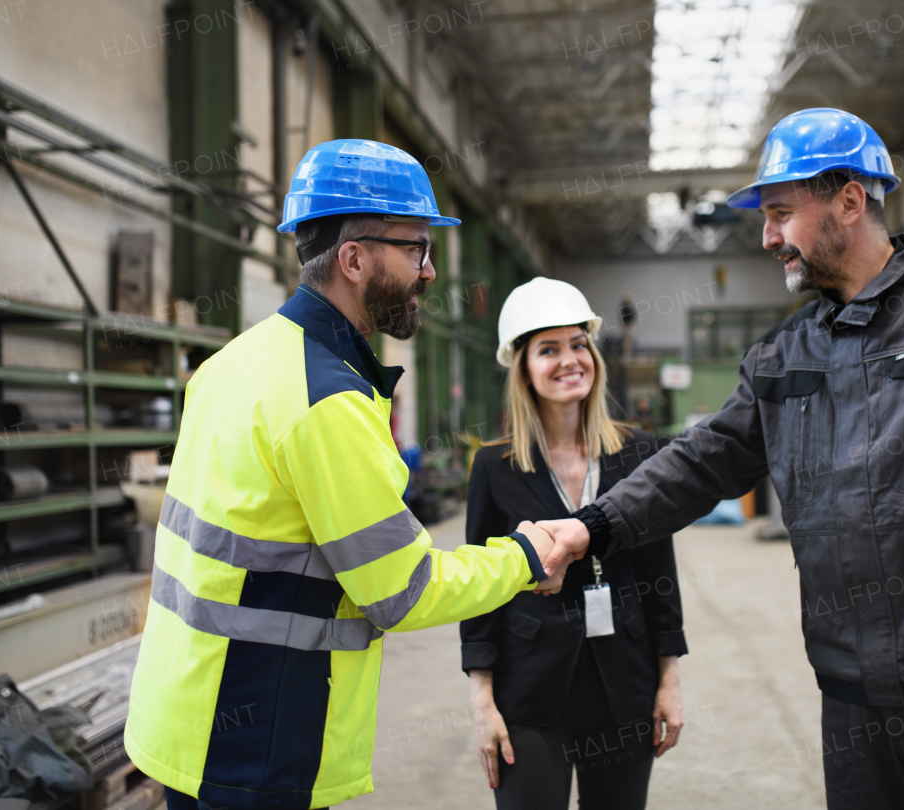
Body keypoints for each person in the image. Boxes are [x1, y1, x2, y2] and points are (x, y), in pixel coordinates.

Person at [537, 108, 904, 809]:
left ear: (850, 201)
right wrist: (591, 525)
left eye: (781, 212)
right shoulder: (785, 354)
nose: (768, 236)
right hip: (851, 700)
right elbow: (703, 461)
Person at [124, 139, 571, 810]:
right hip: (257, 738)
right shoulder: (324, 400)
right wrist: (526, 555)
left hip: (184, 718)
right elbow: (405, 590)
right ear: (355, 258)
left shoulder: (231, 363)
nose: (428, 273)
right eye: (416, 249)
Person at [460, 278, 687, 810]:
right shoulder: (495, 466)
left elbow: (661, 574)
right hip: (531, 693)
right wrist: (482, 700)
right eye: (548, 349)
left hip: (624, 690)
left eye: (578, 344)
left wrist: (669, 679)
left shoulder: (638, 453)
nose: (569, 360)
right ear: (522, 367)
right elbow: (479, 592)